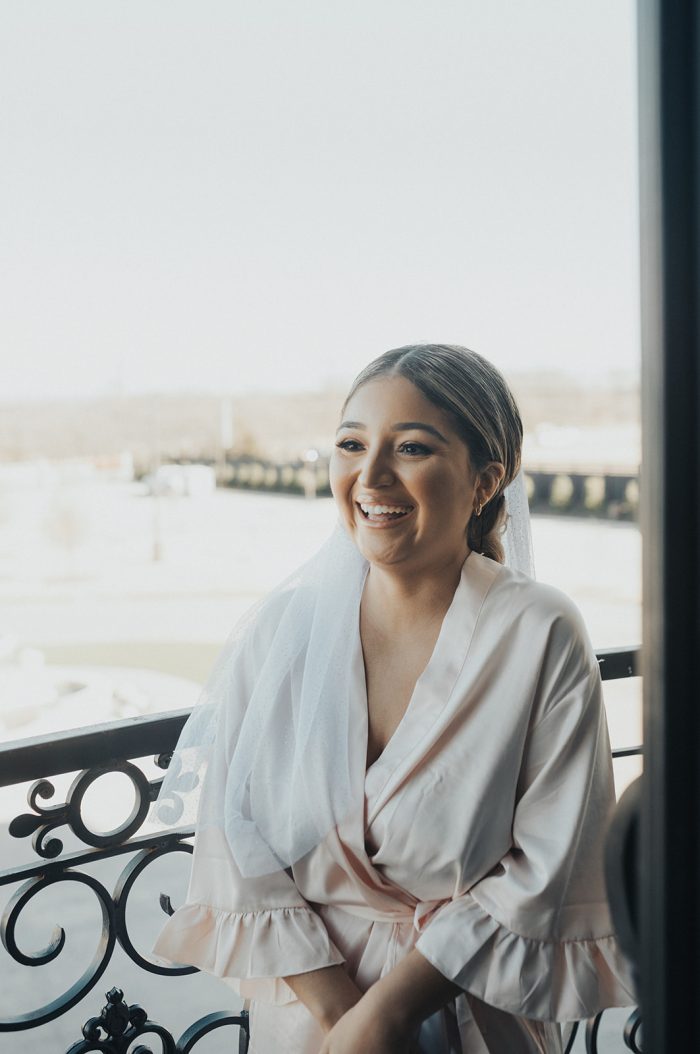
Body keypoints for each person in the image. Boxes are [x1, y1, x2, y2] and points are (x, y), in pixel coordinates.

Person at [151, 344, 636, 1053]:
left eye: (411, 447)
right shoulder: (284, 631)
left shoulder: (540, 632)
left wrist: (390, 1016)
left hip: (471, 1009)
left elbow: (551, 861)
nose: (370, 475)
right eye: (352, 443)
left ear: (486, 479)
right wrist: (345, 1019)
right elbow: (235, 828)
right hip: (310, 1015)